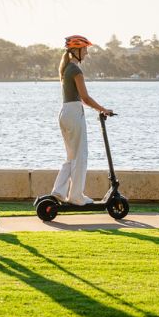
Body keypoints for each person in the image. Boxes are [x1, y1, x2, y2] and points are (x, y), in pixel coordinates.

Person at [51, 35, 114, 205]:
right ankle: (76, 196)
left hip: (65, 113)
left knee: (72, 156)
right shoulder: (76, 70)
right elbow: (85, 98)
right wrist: (103, 109)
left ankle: (58, 191)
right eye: (85, 49)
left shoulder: (66, 69)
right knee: (80, 156)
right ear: (76, 50)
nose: (86, 53)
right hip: (73, 113)